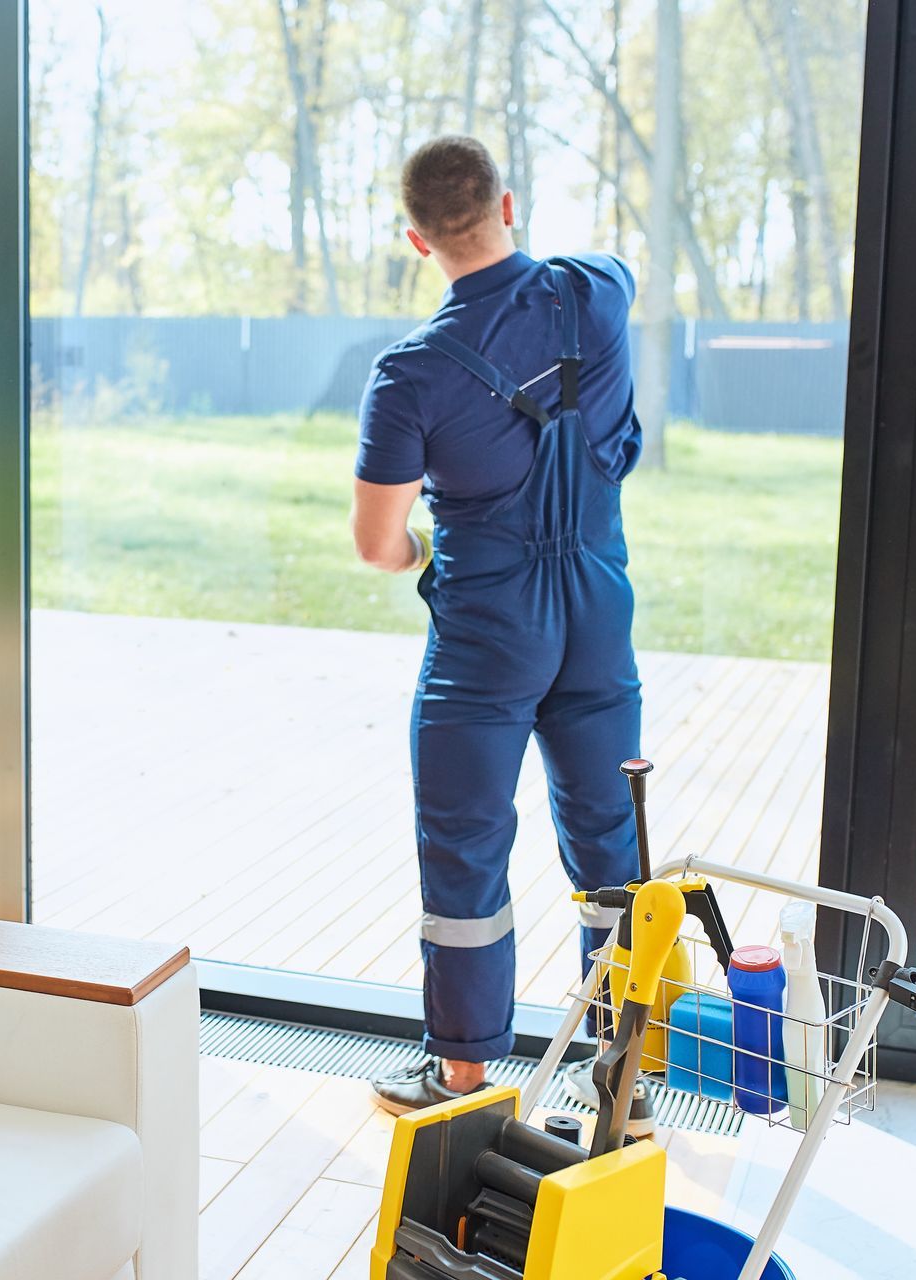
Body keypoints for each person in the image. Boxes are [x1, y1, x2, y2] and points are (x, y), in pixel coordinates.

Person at [352, 137, 645, 1113]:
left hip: (487, 632)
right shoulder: (595, 292)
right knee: (611, 843)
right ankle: (623, 1073)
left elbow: (377, 543)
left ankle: (463, 1072)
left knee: (467, 841)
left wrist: (421, 553)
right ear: (507, 205)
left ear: (417, 239)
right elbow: (619, 279)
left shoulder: (410, 375)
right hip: (598, 611)